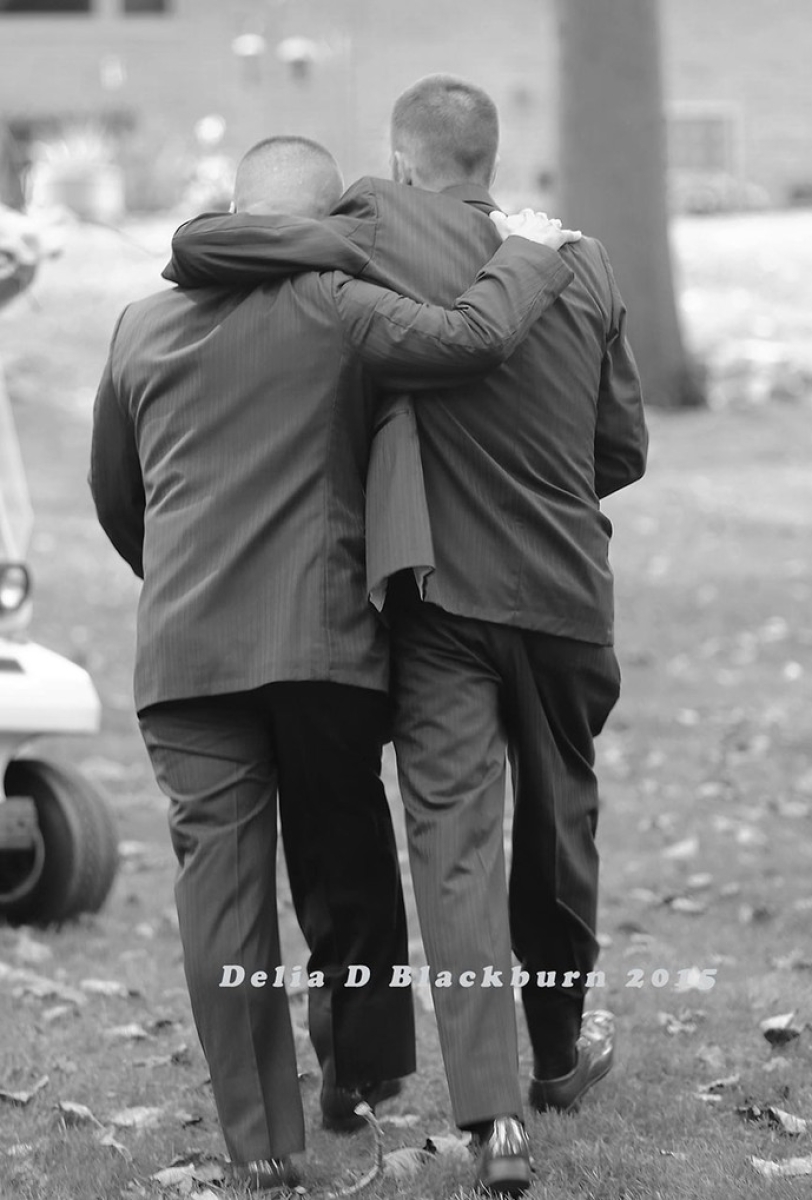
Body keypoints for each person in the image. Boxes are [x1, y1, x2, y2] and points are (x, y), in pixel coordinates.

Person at [164, 75, 647, 1198]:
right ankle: (562, 1048)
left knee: (455, 846)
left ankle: (494, 1119)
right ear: (488, 157)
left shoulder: (365, 226)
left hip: (439, 608)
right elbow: (620, 448)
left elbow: (218, 245)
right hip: (568, 594)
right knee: (561, 818)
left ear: (399, 157)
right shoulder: (584, 257)